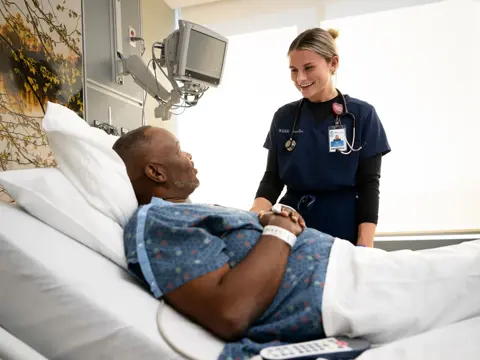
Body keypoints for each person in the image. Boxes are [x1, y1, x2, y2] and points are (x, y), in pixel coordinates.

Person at [113, 126, 480, 360]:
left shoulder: (184, 213)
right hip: (336, 289)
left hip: (343, 273)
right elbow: (230, 312)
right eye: (178, 150)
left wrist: (270, 224)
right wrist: (280, 228)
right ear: (156, 172)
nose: (188, 155)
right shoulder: (158, 221)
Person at [250, 28, 391, 247]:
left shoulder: (362, 115)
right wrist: (250, 218)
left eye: (308, 68)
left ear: (333, 64)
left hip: (341, 225)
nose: (300, 78)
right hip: (290, 224)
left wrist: (365, 244)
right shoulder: (284, 116)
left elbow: (369, 185)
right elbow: (272, 179)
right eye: (293, 70)